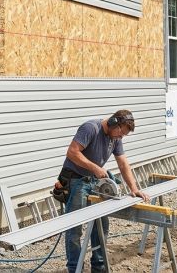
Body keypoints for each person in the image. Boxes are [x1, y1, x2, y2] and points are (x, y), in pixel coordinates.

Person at [60, 109, 149, 273]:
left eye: (123, 136)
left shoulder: (115, 137)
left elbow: (123, 164)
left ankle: (98, 267)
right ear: (114, 122)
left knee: (101, 225)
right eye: (120, 133)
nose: (120, 137)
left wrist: (134, 189)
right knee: (75, 228)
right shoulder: (90, 128)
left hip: (94, 182)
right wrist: (95, 167)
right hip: (76, 180)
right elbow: (72, 152)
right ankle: (74, 268)